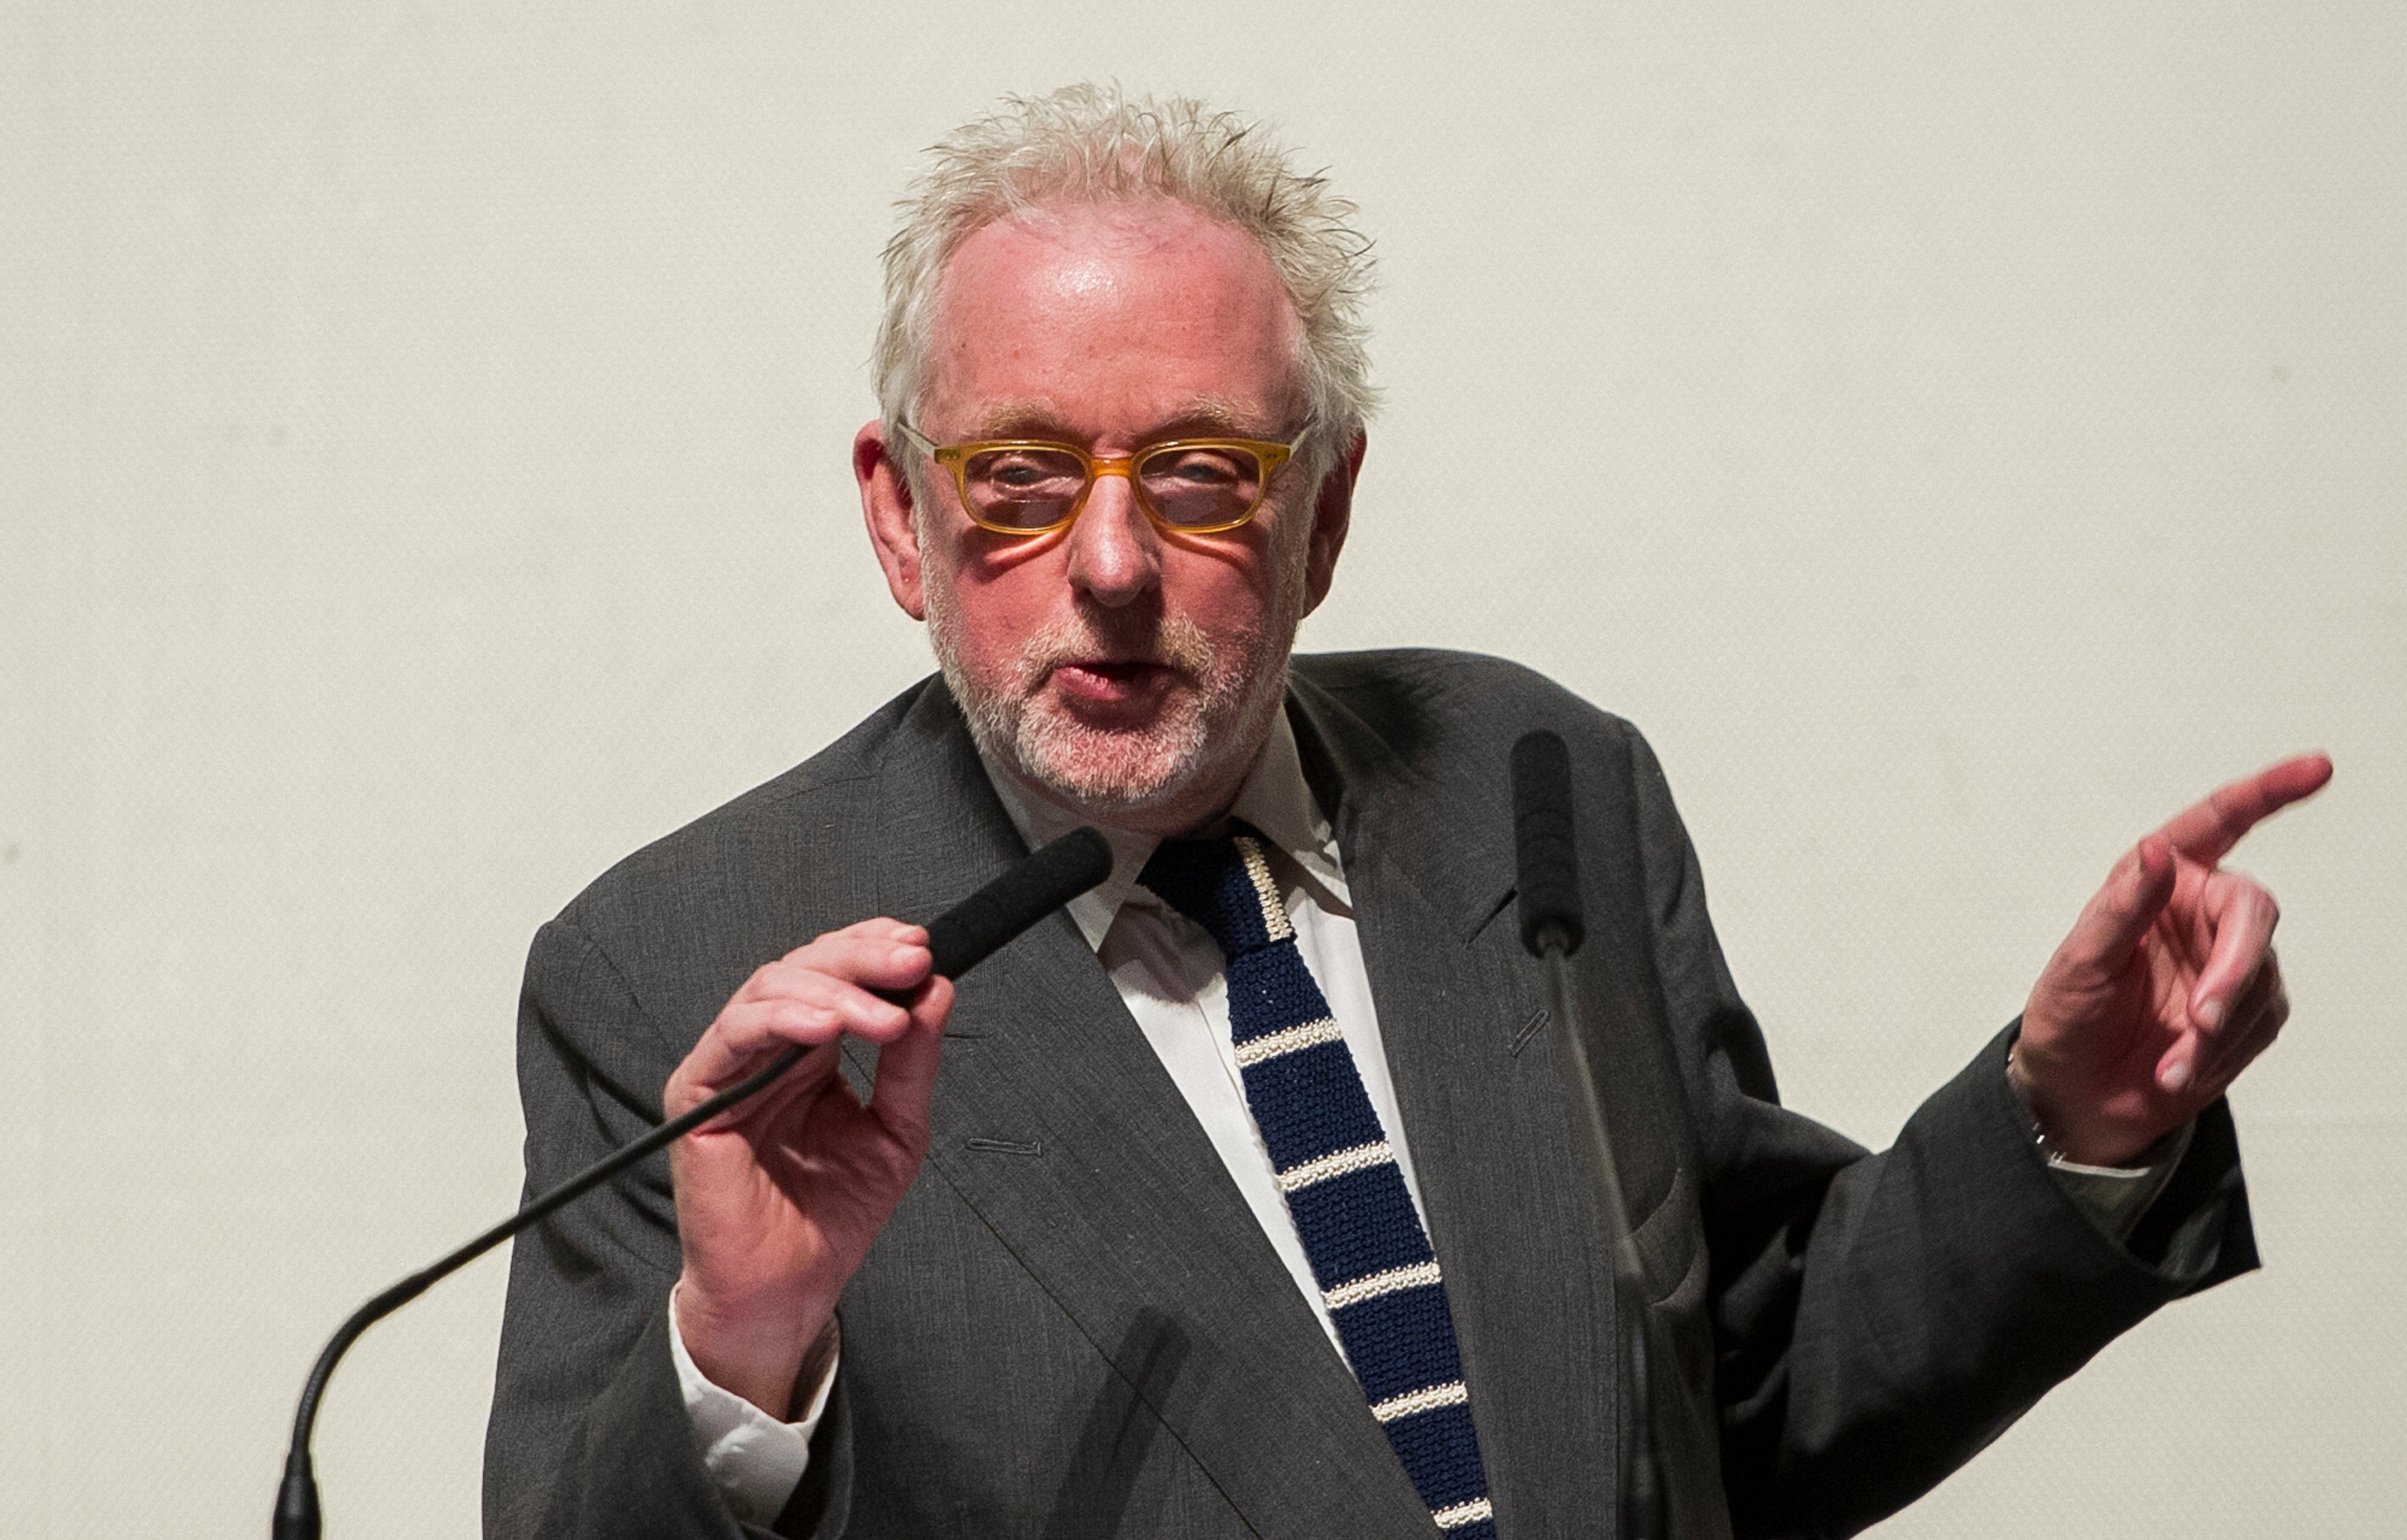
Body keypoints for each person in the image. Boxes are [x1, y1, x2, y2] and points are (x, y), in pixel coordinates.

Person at [482, 86, 2329, 1540]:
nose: (1112, 564)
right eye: (1023, 477)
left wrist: (2071, 1123)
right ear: (902, 519)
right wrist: (741, 1361)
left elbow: (1720, 1413)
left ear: (1327, 515)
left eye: (1201, 475)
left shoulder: (1534, 786)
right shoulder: (676, 972)